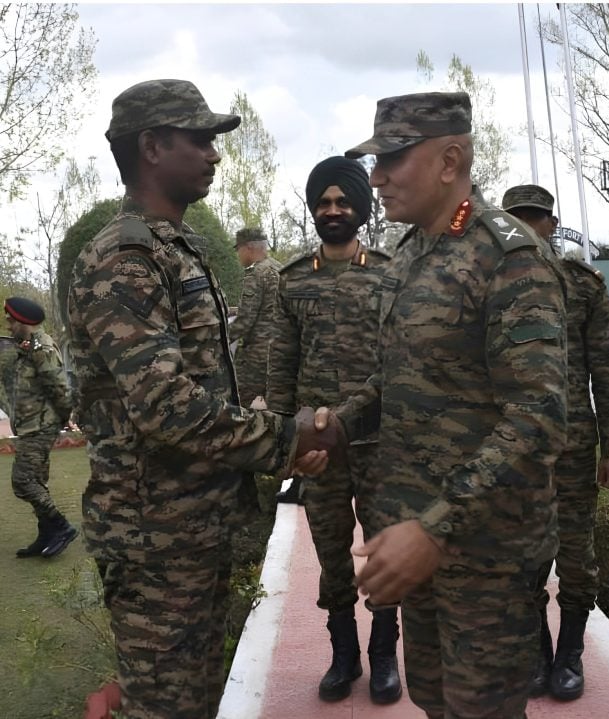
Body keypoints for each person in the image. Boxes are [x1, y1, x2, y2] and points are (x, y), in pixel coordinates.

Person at [66, 78, 333, 719]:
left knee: (193, 696)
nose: (215, 154)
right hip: (155, 535)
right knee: (166, 705)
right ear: (152, 146)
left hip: (190, 525)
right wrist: (286, 440)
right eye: (201, 139)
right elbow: (164, 404)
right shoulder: (126, 258)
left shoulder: (171, 247)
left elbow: (203, 386)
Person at [314, 91, 568, 718]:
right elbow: (395, 380)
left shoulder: (508, 257)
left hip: (484, 554)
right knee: (432, 699)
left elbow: (537, 417)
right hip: (416, 536)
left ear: (451, 159)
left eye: (392, 159)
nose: (376, 178)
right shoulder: (409, 256)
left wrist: (436, 528)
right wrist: (337, 425)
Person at [268, 156, 401, 703]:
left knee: (384, 548)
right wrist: (284, 444)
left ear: (361, 208)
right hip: (318, 448)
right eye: (323, 203)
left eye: (343, 201)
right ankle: (343, 656)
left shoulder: (391, 273)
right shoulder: (293, 280)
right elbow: (282, 367)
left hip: (379, 442)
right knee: (330, 552)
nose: (333, 210)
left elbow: (400, 360)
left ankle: (385, 656)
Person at [502, 184, 609, 701]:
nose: (530, 228)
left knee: (576, 556)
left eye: (538, 219)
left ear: (552, 225)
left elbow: (608, 367)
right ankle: (537, 653)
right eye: (519, 220)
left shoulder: (582, 285)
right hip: (513, 452)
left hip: (574, 448)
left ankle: (570, 655)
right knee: (525, 558)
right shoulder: (493, 284)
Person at [3, 297, 77, 559]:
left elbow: (59, 387)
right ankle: (46, 533)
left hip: (40, 426)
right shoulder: (28, 347)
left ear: (24, 321)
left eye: (11, 321)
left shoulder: (42, 348)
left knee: (22, 482)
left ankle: (61, 527)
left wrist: (66, 415)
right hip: (31, 424)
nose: (8, 325)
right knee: (35, 481)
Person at [228, 227, 281, 409]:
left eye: (238, 250)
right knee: (274, 406)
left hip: (255, 358)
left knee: (241, 406)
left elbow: (245, 322)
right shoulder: (280, 270)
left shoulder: (256, 274)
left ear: (248, 247)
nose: (238, 255)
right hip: (279, 352)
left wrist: (218, 339)